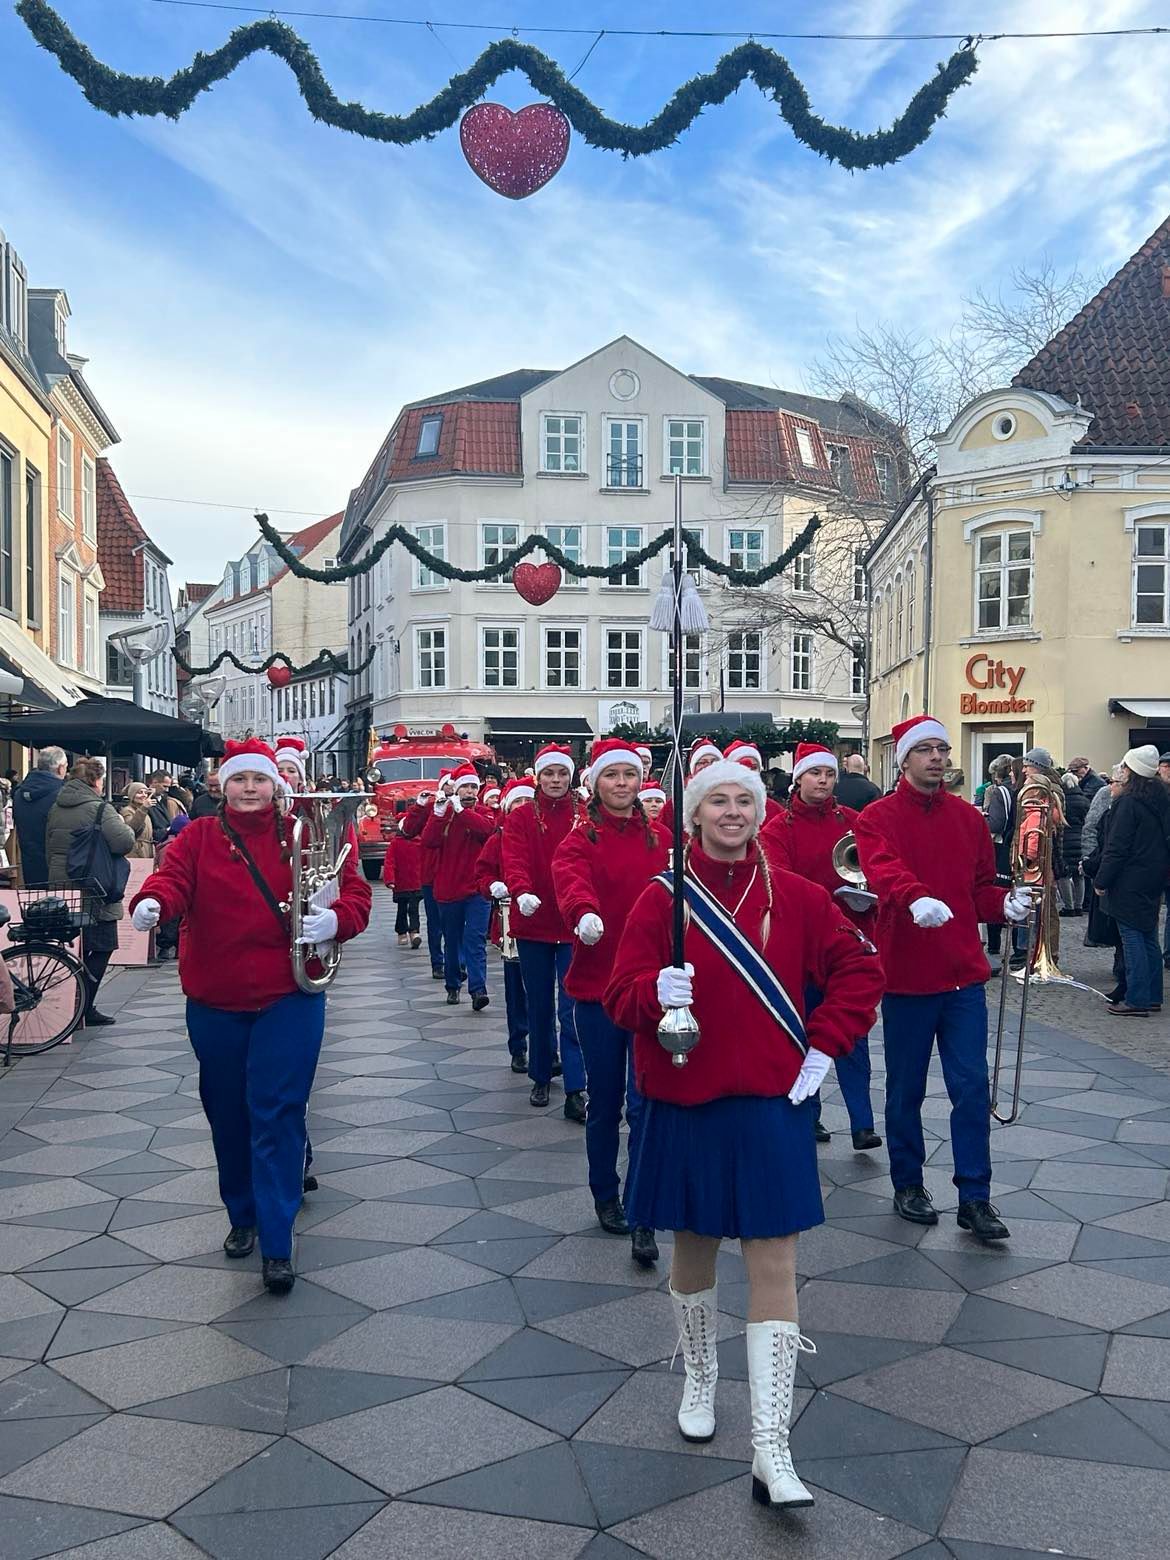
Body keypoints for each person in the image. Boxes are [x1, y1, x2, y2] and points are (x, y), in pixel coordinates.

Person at [607, 759, 883, 1510]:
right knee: (693, 1245)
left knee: (775, 1259)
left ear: (761, 813)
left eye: (744, 801)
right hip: (687, 1095)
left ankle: (771, 1444)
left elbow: (860, 971)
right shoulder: (661, 900)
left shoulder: (797, 895)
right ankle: (700, 1374)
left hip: (771, 1101)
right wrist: (648, 993)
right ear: (693, 818)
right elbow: (616, 996)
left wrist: (825, 1046)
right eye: (717, 802)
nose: (732, 812)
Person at [129, 738, 371, 1295]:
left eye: (259, 780)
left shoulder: (304, 833)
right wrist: (154, 903)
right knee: (228, 1114)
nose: (249, 789)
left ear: (275, 785)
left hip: (289, 995)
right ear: (224, 785)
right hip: (215, 999)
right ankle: (242, 1213)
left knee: (279, 1113)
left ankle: (279, 1239)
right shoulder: (197, 837)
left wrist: (335, 921)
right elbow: (171, 880)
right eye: (240, 780)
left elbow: (355, 893)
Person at [854, 714, 1030, 1242]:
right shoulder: (876, 817)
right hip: (908, 976)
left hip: (961, 978)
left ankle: (975, 1195)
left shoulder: (969, 819)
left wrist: (1006, 904)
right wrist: (914, 897)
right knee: (905, 1090)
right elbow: (881, 869)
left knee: (972, 1089)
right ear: (903, 759)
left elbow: (978, 887)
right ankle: (908, 1183)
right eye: (925, 750)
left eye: (943, 749)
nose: (937, 758)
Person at [553, 739, 670, 1268]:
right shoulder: (580, 840)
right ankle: (605, 1189)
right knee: (607, 1101)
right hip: (599, 989)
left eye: (630, 775)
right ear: (595, 783)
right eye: (612, 776)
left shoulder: (664, 840)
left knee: (648, 1101)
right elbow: (570, 879)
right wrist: (582, 913)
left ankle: (643, 1206)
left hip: (650, 989)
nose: (622, 784)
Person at [761, 742, 882, 1152]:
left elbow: (873, 866)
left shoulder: (851, 821)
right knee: (805, 1031)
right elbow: (778, 882)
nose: (824, 781)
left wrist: (866, 896)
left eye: (829, 775)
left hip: (847, 941)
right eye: (815, 774)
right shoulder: (779, 829)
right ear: (799, 778)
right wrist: (829, 899)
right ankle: (808, 1113)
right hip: (803, 945)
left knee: (852, 1033)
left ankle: (862, 1122)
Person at [501, 745, 587, 1121]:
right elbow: (513, 858)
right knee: (538, 1005)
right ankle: (540, 1074)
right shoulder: (521, 817)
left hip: (572, 925)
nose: (555, 781)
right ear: (538, 777)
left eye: (562, 774)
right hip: (533, 923)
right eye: (549, 774)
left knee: (571, 1008)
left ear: (571, 777)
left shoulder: (583, 816)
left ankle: (574, 1086)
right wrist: (521, 892)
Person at [46, 757, 135, 1028]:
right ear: (97, 781)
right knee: (102, 946)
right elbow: (124, 842)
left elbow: (49, 844)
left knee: (74, 946)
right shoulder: (100, 809)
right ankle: (85, 1005)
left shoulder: (56, 807)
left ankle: (71, 1001)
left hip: (62, 885)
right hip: (94, 886)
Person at [1096, 744, 1170, 1016]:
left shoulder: (1128, 803)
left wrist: (1102, 880)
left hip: (1129, 878)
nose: (1122, 771)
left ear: (1133, 771)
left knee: (1132, 938)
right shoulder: (1161, 798)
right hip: (1153, 876)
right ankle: (1151, 996)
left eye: (1125, 767)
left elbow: (1117, 847)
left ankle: (1137, 999)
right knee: (1148, 935)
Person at [422, 765, 494, 1008]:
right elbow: (429, 841)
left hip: (477, 889)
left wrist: (462, 811)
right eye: (465, 786)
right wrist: (438, 813)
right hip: (448, 889)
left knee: (475, 940)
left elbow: (486, 831)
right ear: (456, 788)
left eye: (474, 786)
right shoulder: (446, 813)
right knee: (451, 940)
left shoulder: (483, 813)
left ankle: (478, 989)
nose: (470, 791)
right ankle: (453, 984)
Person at [478, 777, 532, 1073]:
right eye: (518, 803)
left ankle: (548, 1048)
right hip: (512, 925)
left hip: (550, 924)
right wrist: (494, 885)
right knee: (516, 992)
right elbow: (482, 876)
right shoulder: (497, 839)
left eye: (527, 802)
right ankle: (519, 1045)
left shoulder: (545, 833)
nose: (523, 807)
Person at [13, 746, 67, 886]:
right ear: (61, 768)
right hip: (56, 866)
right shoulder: (62, 794)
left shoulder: (19, 794)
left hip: (28, 863)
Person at [383, 818, 423, 948]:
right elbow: (390, 862)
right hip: (401, 883)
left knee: (413, 908)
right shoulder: (395, 844)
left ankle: (414, 932)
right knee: (402, 909)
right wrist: (390, 879)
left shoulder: (420, 843)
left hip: (416, 882)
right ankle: (401, 931)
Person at [1057, 772, 1089, 917]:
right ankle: (1079, 906)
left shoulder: (1062, 799)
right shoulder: (1084, 799)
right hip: (1080, 837)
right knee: (1079, 873)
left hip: (1066, 837)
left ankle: (1068, 906)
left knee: (1064, 872)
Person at [120, 783, 157, 858]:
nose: (144, 795)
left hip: (147, 851)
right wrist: (143, 808)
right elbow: (132, 828)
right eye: (140, 792)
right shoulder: (127, 811)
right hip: (135, 853)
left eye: (146, 793)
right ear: (132, 795)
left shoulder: (145, 811)